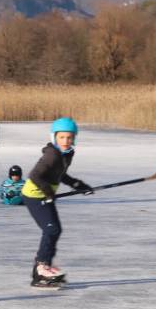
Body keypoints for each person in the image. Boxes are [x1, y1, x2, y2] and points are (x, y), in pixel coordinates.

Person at [21, 117, 94, 287]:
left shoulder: (67, 153)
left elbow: (61, 174)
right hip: (34, 195)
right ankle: (41, 267)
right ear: (54, 137)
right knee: (51, 229)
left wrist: (78, 185)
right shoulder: (52, 155)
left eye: (69, 137)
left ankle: (41, 268)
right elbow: (35, 175)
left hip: (45, 194)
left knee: (55, 230)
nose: (66, 141)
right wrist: (47, 192)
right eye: (62, 137)